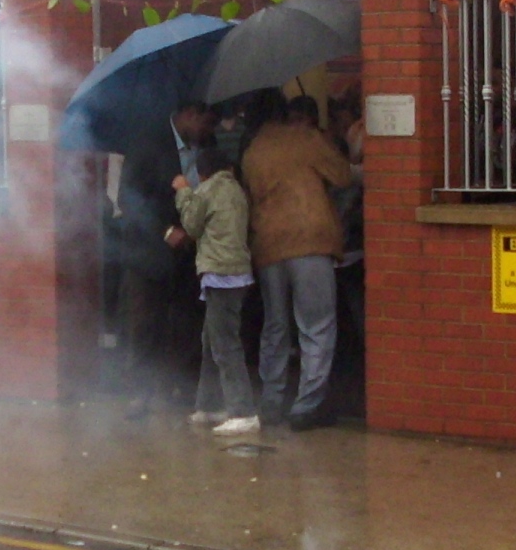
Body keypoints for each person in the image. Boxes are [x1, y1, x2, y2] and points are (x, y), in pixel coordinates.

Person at [242, 94, 352, 430]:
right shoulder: (305, 138)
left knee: (275, 325)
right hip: (310, 239)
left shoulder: (252, 151)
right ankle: (307, 405)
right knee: (316, 325)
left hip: (268, 244)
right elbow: (343, 175)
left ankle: (271, 401)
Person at [114, 101, 218, 417]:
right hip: (148, 250)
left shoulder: (206, 145)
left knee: (187, 322)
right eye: (204, 123)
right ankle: (140, 393)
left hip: (190, 252)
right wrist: (165, 230)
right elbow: (128, 198)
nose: (207, 131)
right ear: (189, 115)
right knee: (145, 323)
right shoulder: (148, 143)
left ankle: (180, 389)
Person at [172, 147, 258, 437]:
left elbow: (191, 225)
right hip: (237, 273)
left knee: (225, 345)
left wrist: (183, 192)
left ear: (201, 173)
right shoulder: (237, 190)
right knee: (211, 341)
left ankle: (243, 412)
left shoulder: (207, 190)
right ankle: (209, 405)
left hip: (221, 275)